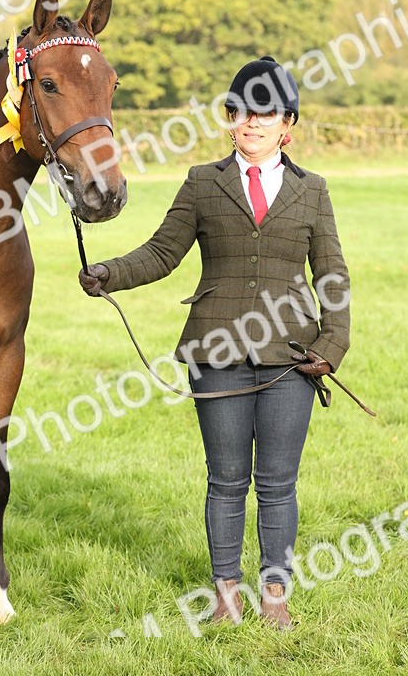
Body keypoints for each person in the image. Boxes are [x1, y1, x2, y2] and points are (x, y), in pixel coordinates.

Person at [79, 56, 350, 630]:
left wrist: (332, 345)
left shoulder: (313, 191)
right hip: (216, 352)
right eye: (240, 111)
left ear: (287, 123)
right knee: (226, 480)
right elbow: (162, 253)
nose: (251, 122)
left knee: (277, 483)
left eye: (264, 113)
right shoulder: (203, 182)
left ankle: (274, 593)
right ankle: (226, 592)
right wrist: (109, 273)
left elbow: (332, 275)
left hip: (291, 359)